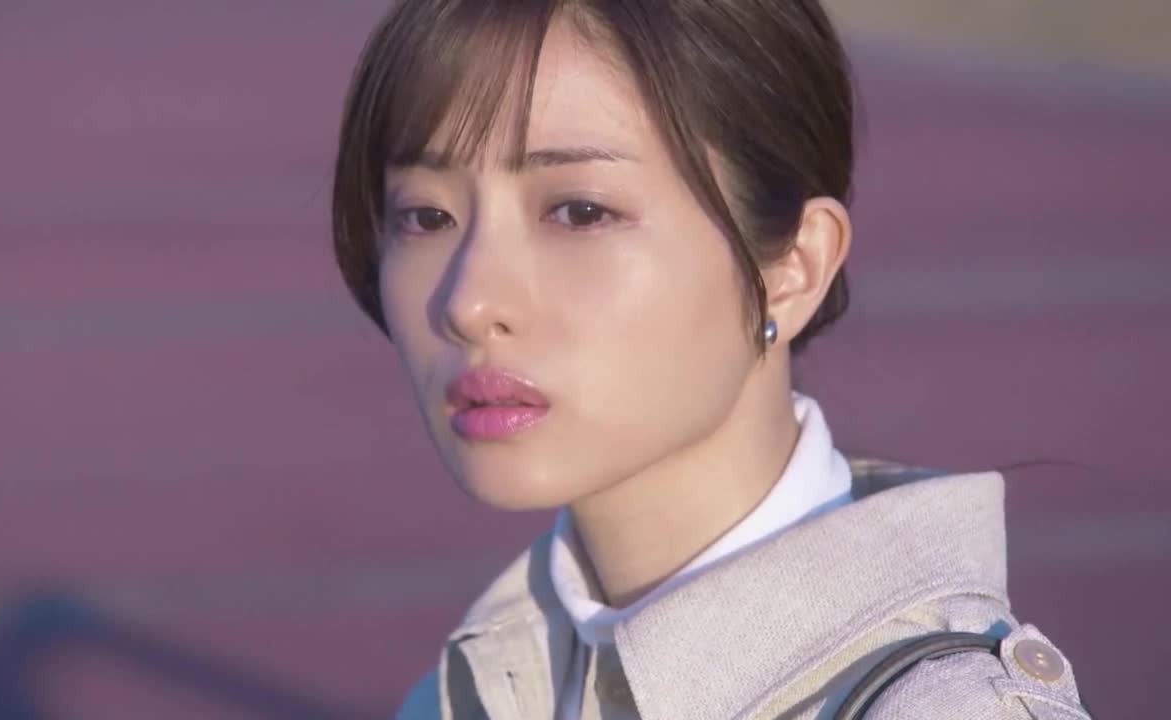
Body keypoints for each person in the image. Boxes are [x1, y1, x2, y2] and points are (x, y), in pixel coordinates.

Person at [330, 1, 1094, 718]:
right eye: (426, 215)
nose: (469, 302)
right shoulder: (470, 692)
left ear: (794, 266)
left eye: (580, 212)